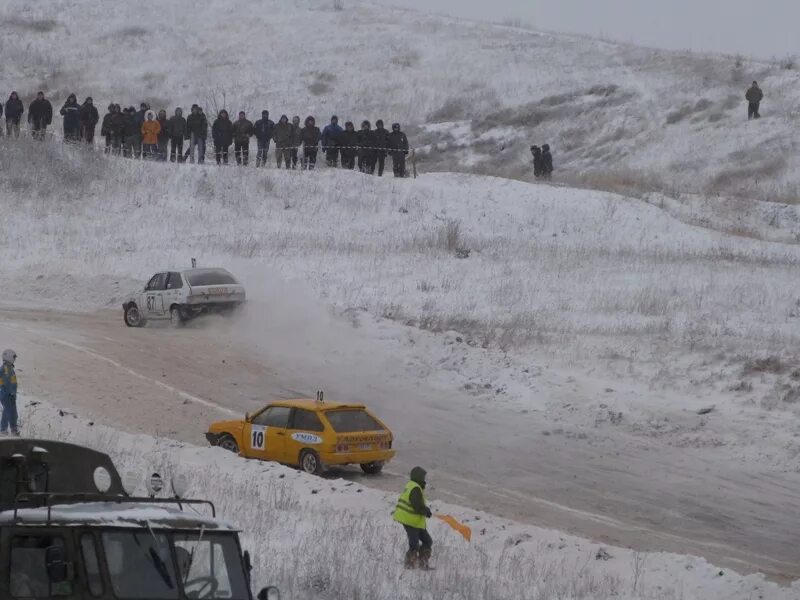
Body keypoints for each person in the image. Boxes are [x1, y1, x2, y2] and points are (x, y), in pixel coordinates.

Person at [393, 467, 433, 569]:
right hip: (409, 520)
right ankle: (409, 565)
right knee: (414, 544)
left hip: (415, 521)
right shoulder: (415, 488)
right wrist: (426, 511)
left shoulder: (413, 485)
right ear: (419, 477)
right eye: (423, 477)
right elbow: (417, 506)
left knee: (427, 541)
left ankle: (423, 563)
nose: (424, 479)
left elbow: (418, 505)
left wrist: (425, 510)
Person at [0, 349, 19, 436]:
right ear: (9, 357)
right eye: (14, 357)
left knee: (12, 412)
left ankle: (13, 429)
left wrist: (13, 394)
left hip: (10, 395)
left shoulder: (9, 368)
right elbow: (7, 382)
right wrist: (10, 392)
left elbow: (12, 383)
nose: (14, 359)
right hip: (6, 394)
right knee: (8, 411)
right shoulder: (6, 368)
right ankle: (3, 430)